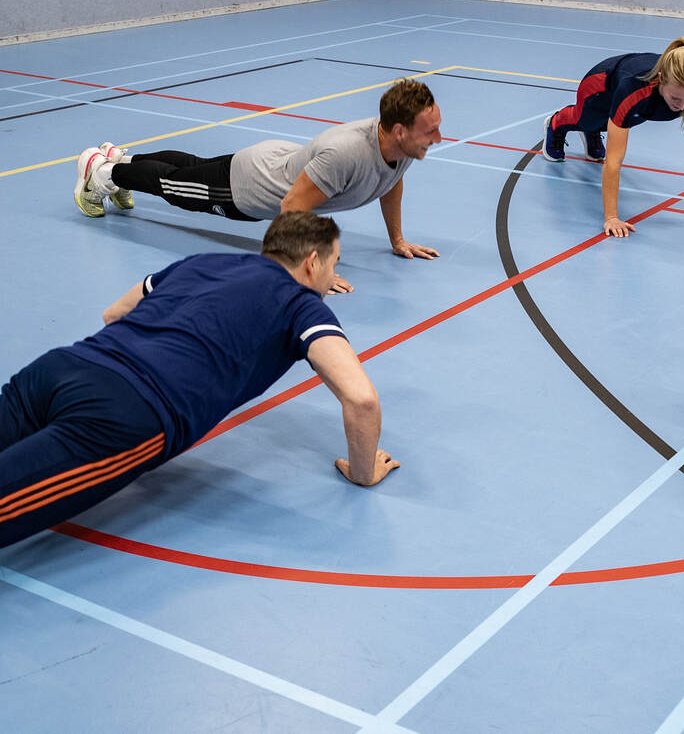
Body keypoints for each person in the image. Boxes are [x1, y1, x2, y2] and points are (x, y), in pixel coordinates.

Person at [0, 211, 400, 550]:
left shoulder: (203, 262)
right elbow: (361, 398)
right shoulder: (302, 306)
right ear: (312, 262)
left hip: (60, 369)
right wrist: (363, 473)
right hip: (124, 416)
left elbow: (112, 315)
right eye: (334, 264)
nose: (333, 276)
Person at [72, 79, 445, 292]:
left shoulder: (402, 146)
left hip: (271, 159)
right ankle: (102, 174)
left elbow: (390, 181)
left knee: (191, 167)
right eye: (431, 131)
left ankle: (121, 158)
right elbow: (292, 208)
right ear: (399, 130)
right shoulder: (347, 154)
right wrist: (309, 270)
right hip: (247, 189)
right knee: (174, 186)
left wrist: (397, 239)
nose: (438, 137)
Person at [542, 37, 684, 238]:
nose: (682, 107)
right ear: (661, 79)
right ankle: (555, 124)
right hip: (601, 85)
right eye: (675, 98)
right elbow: (614, 160)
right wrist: (612, 217)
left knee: (623, 120)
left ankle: (594, 131)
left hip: (640, 100)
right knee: (584, 120)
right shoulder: (634, 89)